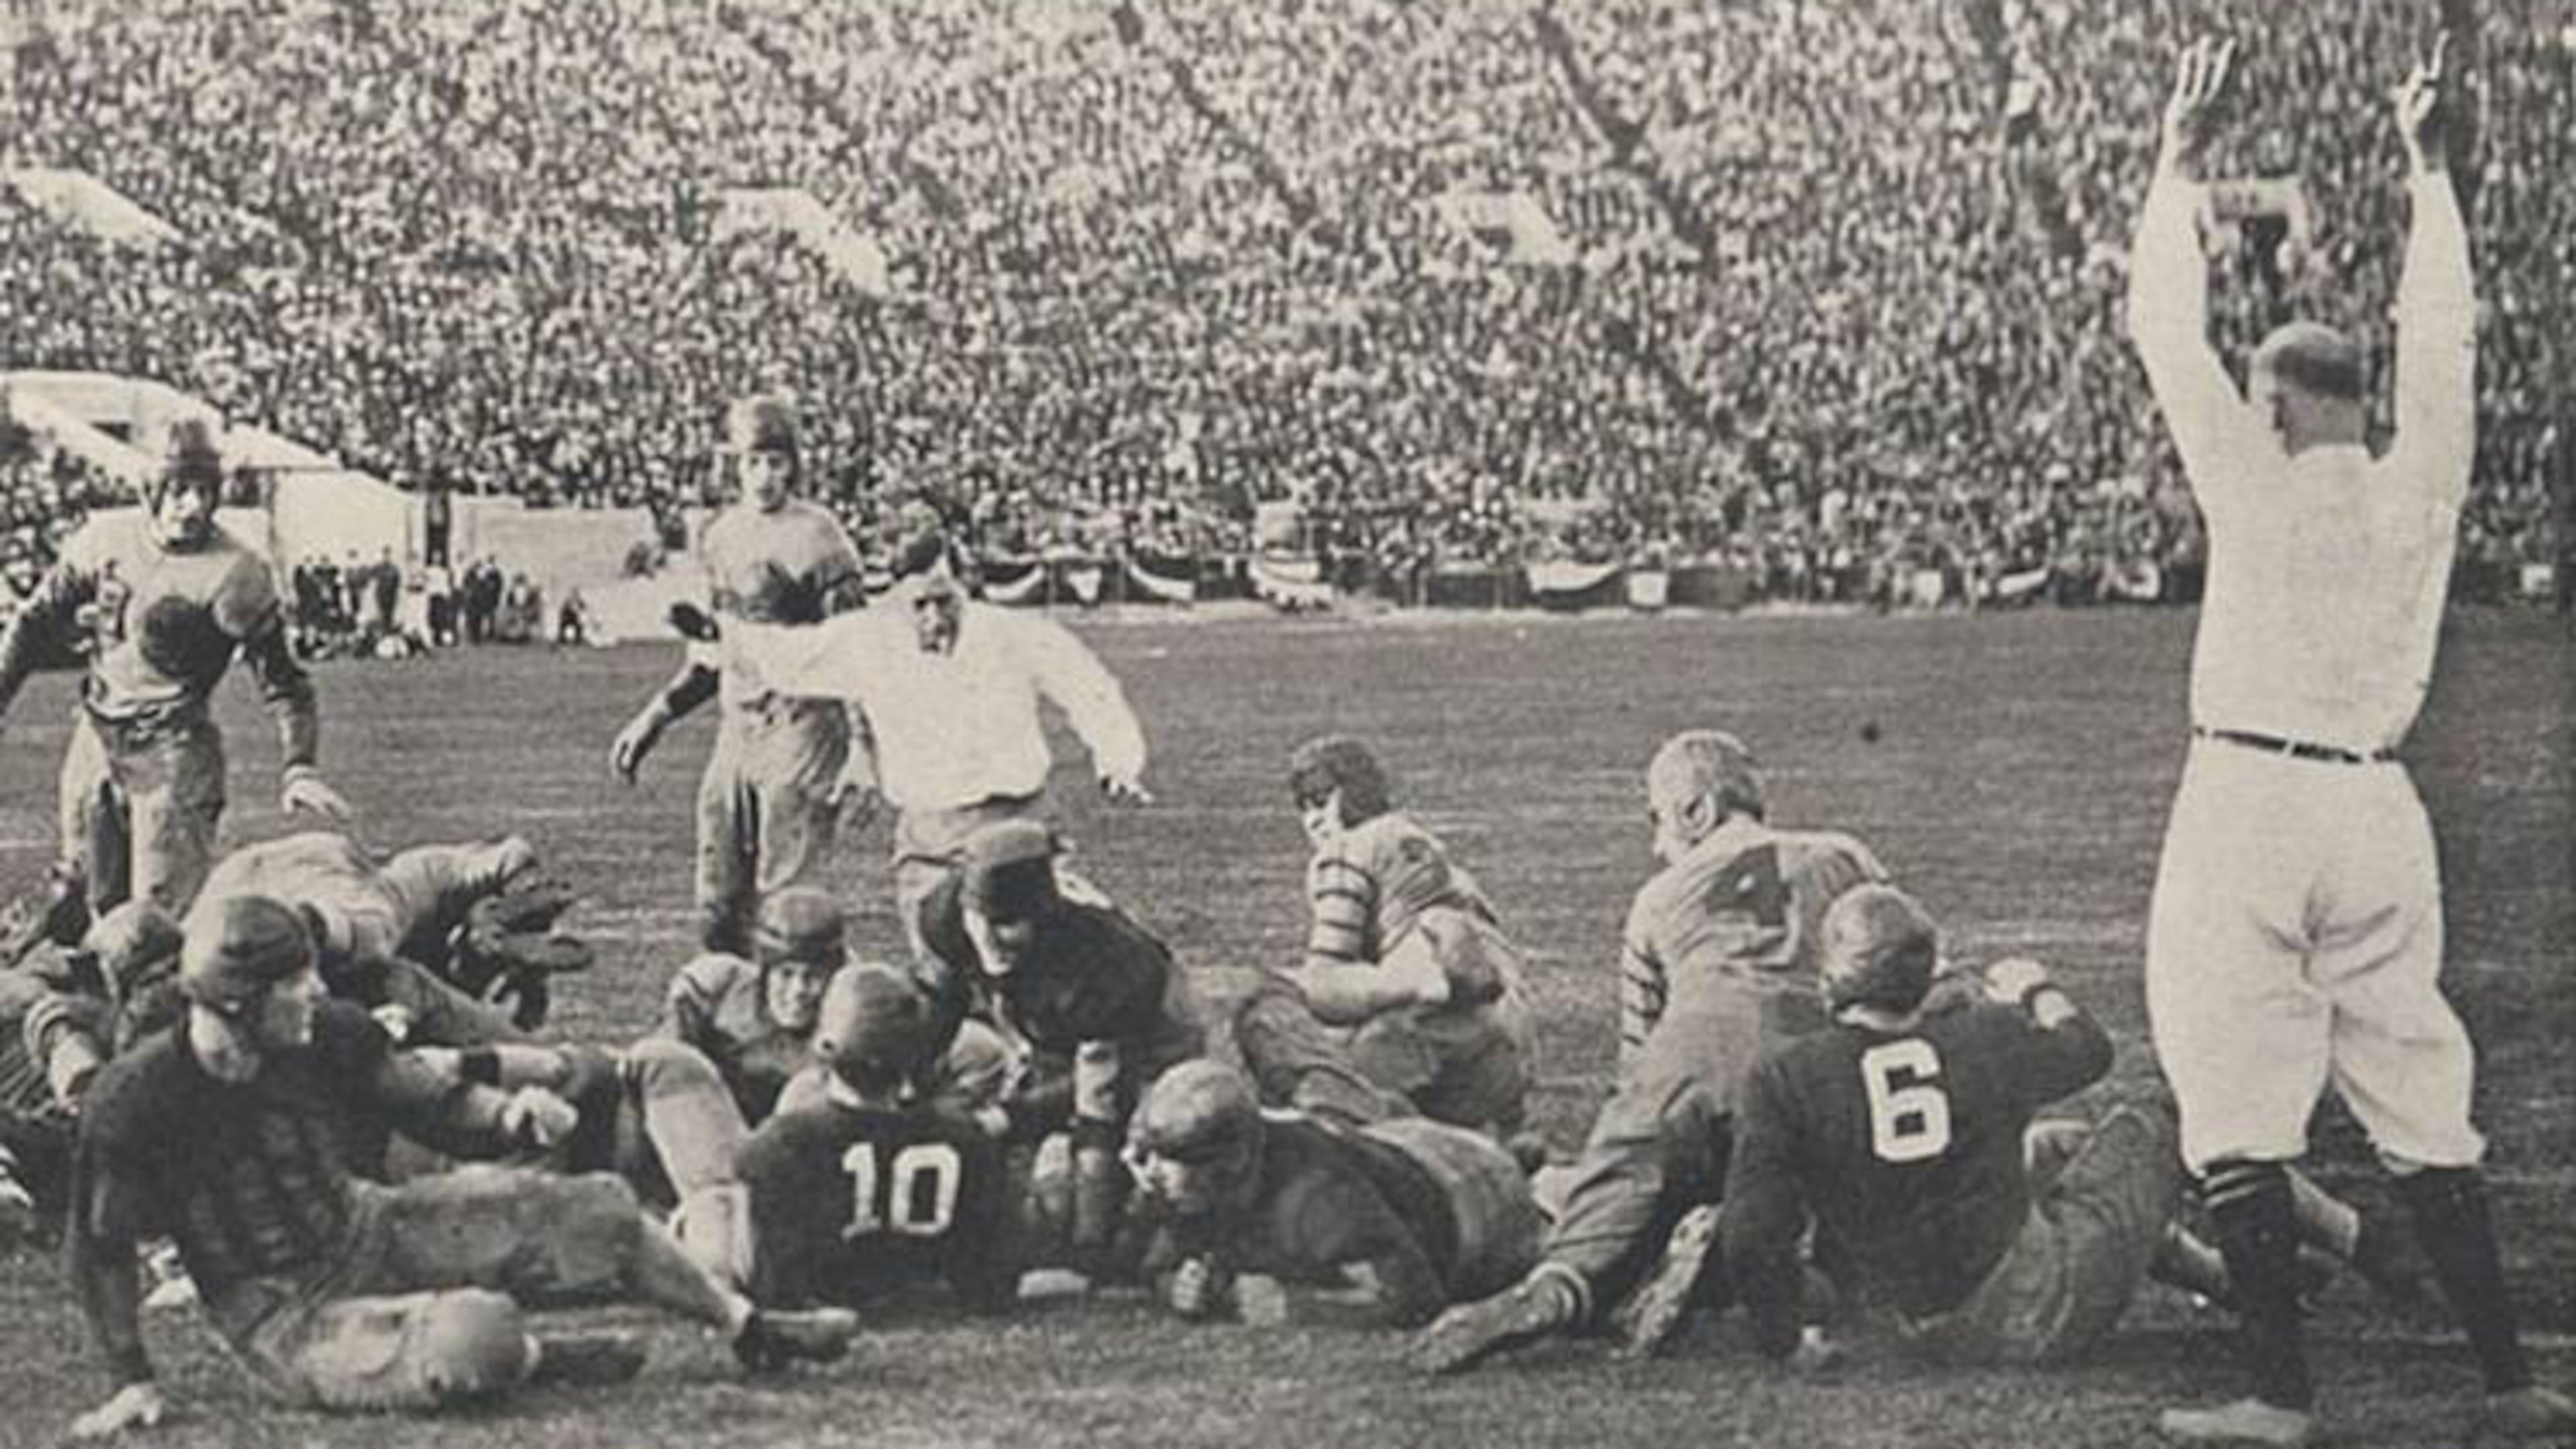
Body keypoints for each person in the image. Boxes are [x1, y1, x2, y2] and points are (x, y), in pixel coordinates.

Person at [2127, 38, 2570, 1444]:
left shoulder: (2251, 479)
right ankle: (2509, 1382)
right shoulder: (2417, 479)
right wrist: (2431, 170)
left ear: (2272, 404)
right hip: (2381, 806)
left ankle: (2277, 1394)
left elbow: (2161, 327)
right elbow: (2447, 339)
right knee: (2420, 1092)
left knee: (2238, 1105)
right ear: (2354, 401)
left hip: (2250, 795)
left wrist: (2175, 162)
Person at [62, 894, 859, 1436]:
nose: (313, 994)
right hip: (276, 1311)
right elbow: (100, 1252)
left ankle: (747, 1327)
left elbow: (428, 1101)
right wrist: (130, 1375)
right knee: (474, 1334)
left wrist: (508, 1114)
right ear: (236, 1003)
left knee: (603, 1208)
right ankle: (543, 1359)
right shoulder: (139, 1101)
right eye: (291, 985)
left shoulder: (326, 1033)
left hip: (362, 1221)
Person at [1724, 886, 2403, 1373]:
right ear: (1923, 973)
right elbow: (2089, 1048)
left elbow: (1753, 1235)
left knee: (2055, 1145)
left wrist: (1787, 1339)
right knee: (2166, 1120)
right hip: (2031, 1312)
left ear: (1835, 976)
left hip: (1905, 1327)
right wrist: (2035, 987)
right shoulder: (1985, 1036)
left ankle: (2223, 1278)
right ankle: (2362, 1238)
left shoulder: (1787, 1076)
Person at [1407, 729, 1894, 1374]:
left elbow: (1637, 1061)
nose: (1653, 841)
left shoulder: (1655, 901)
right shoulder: (1841, 856)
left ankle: (1559, 1285)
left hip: (1684, 1058)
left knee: (1621, 1193)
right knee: (1840, 1229)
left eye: (1655, 819)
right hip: (1813, 1064)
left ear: (1698, 811)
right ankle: (1743, 1257)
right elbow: (1906, 975)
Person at [684, 551, 1150, 955]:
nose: (934, 619)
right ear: (894, 601)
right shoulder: (868, 640)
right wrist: (718, 632)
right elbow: (788, 653)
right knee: (939, 974)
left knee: (1032, 968)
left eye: (945, 602)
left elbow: (1088, 686)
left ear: (963, 589)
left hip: (1017, 827)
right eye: (919, 605)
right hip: (929, 840)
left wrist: (1118, 761)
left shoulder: (1013, 633)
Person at [0, 417, 352, 919]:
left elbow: (285, 683)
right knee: (80, 900)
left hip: (173, 752)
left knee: (158, 922)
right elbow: (34, 620)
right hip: (97, 739)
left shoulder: (238, 573)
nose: (192, 506)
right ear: (152, 489)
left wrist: (300, 765)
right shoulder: (106, 538)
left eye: (204, 492)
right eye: (180, 489)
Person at [610, 395, 867, 955]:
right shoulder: (722, 536)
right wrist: (654, 717)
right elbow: (715, 652)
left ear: (795, 466)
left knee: (788, 905)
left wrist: (865, 750)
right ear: (735, 464)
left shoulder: (821, 537)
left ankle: (831, 1023)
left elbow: (856, 653)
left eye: (778, 461)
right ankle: (732, 1025)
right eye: (754, 461)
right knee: (719, 906)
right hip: (741, 722)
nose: (766, 475)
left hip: (804, 723)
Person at [915, 821, 1205, 1261]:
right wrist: (902, 1105)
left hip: (1149, 1043)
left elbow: (1099, 1102)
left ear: (1042, 916)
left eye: (1008, 923)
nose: (990, 938)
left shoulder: (1105, 959)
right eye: (981, 920)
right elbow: (933, 1022)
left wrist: (1088, 1244)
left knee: (1118, 1187)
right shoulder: (948, 915)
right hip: (1047, 1030)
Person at [1231, 737, 1536, 1139]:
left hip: (1425, 1030)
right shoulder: (1429, 850)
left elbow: (1326, 980)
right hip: (1509, 1051)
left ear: (1355, 791)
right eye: (1303, 806)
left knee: (1289, 1040)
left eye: (1322, 800)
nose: (1313, 819)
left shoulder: (1347, 849)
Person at [1126, 1060, 1542, 1330]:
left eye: (1172, 1160)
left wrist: (1295, 1306)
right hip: (1388, 1144)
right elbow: (1159, 1262)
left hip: (1475, 1194)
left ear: (1228, 1165)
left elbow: (1414, 1297)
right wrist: (1179, 1284)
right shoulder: (1183, 1185)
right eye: (1151, 1158)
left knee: (1537, 1194)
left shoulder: (1318, 1201)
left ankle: (1549, 1183)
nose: (1154, 1175)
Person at [734, 964, 1026, 1313]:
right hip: (923, 1285)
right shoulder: (967, 1136)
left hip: (825, 1289)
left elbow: (771, 1280)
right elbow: (995, 1279)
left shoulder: (785, 1140)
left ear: (827, 1045)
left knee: (707, 1215)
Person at [661, 885, 1011, 1126]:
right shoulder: (715, 991)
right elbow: (667, 1073)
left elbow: (978, 1050)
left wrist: (923, 1122)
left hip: (831, 1153)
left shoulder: (860, 1009)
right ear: (764, 969)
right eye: (786, 974)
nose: (799, 991)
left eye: (813, 977)